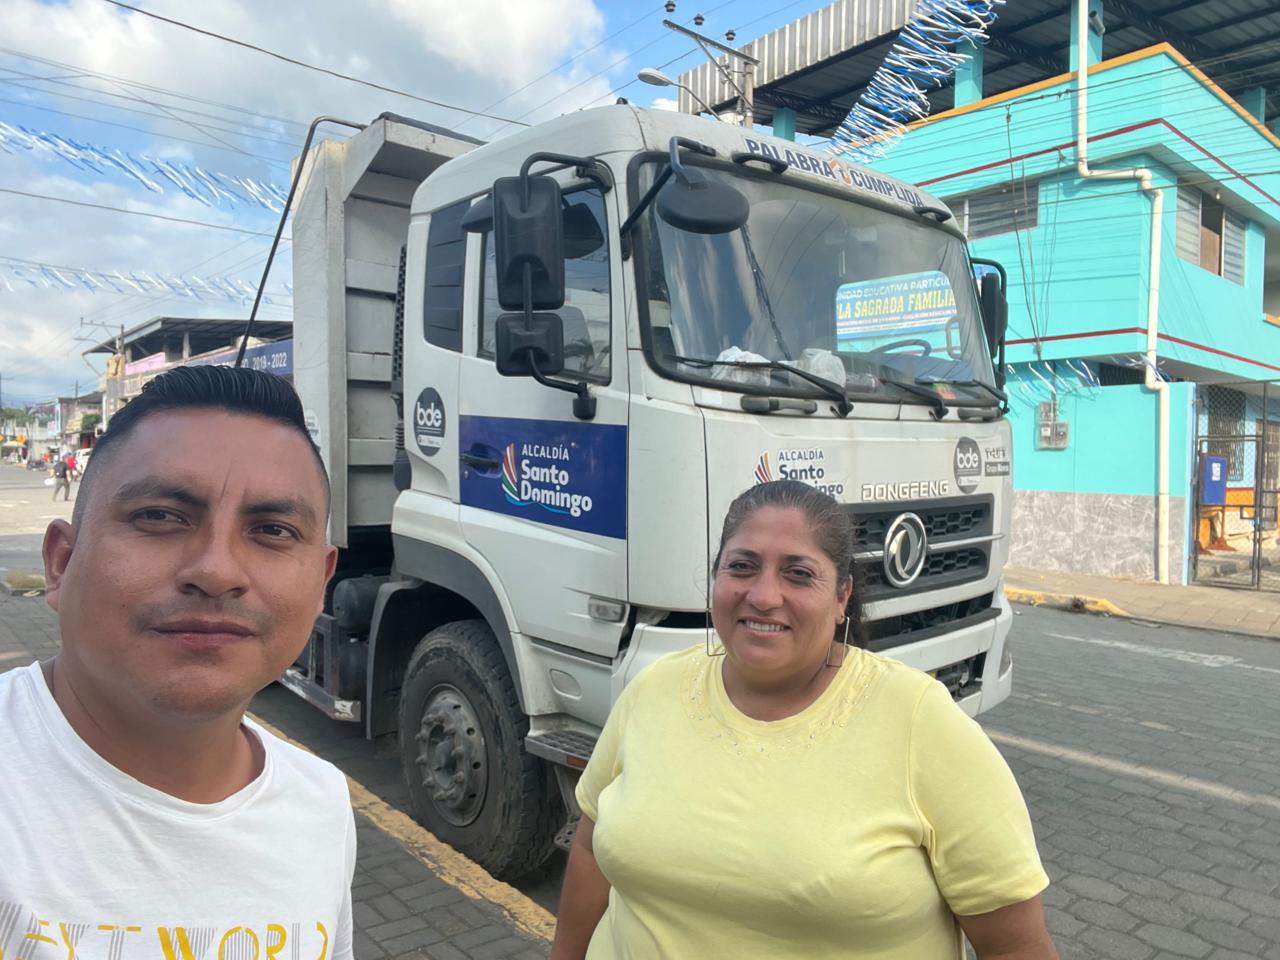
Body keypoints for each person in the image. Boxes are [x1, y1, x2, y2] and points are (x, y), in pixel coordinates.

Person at [551, 480, 1057, 960]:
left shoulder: (920, 722)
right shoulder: (653, 690)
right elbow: (592, 849)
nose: (763, 595)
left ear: (841, 597)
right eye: (742, 567)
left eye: (798, 573)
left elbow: (1014, 946)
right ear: (715, 579)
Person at [1, 366, 353, 959]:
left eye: (272, 529)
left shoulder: (321, 802)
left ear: (321, 584)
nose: (216, 570)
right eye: (160, 516)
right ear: (61, 562)